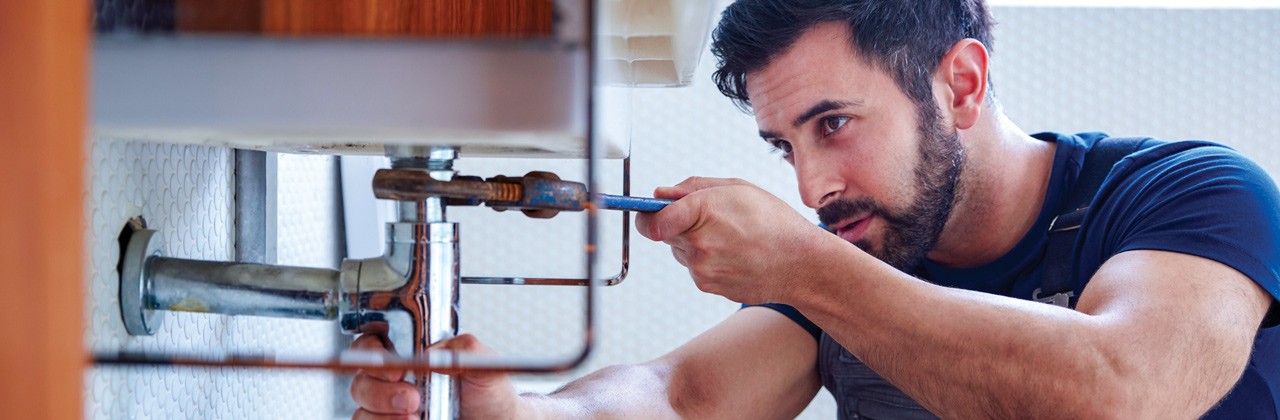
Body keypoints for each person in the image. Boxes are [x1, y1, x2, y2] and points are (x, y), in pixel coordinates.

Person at [350, 0, 1280, 418]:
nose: (811, 187)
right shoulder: (860, 255)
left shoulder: (1193, 196)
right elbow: (677, 397)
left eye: (834, 123)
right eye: (785, 145)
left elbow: (1124, 394)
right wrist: (515, 412)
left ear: (959, 83)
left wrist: (802, 263)